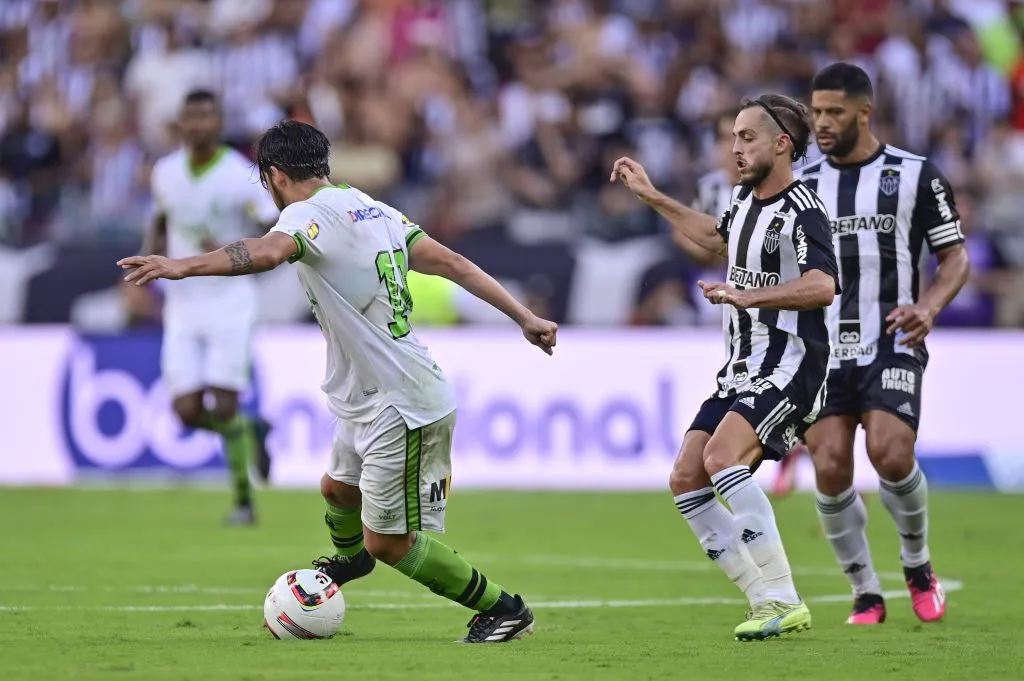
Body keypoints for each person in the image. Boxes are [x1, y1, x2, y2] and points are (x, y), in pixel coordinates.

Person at [119, 119, 558, 644]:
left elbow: (267, 252)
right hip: (366, 394)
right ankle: (350, 561)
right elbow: (453, 262)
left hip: (403, 401)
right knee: (337, 489)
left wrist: (182, 266)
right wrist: (523, 316)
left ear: (274, 176)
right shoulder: (374, 209)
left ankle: (504, 609)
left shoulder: (304, 214)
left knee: (388, 542)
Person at [611, 94, 840, 641]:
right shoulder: (742, 199)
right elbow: (717, 237)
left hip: (791, 364)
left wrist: (749, 297)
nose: (734, 148)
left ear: (782, 144)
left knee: (720, 458)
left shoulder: (803, 209)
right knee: (686, 478)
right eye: (733, 137)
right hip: (741, 367)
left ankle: (784, 596)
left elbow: (823, 285)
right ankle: (764, 601)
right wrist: (651, 196)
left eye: (746, 137)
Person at [797, 63, 970, 625]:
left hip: (891, 336)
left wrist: (929, 307)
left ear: (864, 113)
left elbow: (954, 257)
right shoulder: (802, 184)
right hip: (822, 349)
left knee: (891, 453)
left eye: (835, 112)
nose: (822, 123)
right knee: (829, 466)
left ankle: (917, 564)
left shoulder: (915, 174)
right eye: (816, 112)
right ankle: (865, 591)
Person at [143, 90, 276, 525]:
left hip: (229, 300)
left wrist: (231, 248)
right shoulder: (165, 172)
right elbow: (160, 220)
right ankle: (253, 430)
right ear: (180, 123)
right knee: (185, 411)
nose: (199, 124)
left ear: (219, 123)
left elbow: (270, 224)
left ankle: (244, 503)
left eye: (206, 116)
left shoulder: (240, 174)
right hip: (181, 303)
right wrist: (147, 263)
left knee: (223, 405)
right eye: (191, 116)